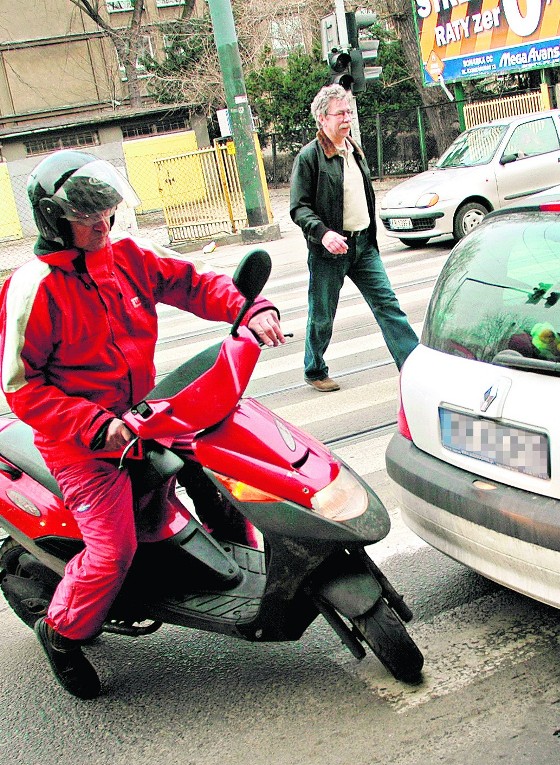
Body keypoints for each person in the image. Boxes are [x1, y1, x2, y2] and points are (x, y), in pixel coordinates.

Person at [0, 149, 286, 699]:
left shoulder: (126, 254)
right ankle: (61, 632)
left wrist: (247, 309)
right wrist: (91, 424)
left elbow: (192, 284)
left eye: (106, 213)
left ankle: (238, 569)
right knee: (112, 552)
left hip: (149, 414)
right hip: (83, 444)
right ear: (54, 220)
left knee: (225, 471)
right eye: (88, 218)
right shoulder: (33, 288)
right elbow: (21, 387)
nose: (102, 225)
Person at [290, 85, 418, 392]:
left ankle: (413, 365)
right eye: (340, 113)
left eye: (349, 112)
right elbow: (298, 207)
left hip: (363, 246)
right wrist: (323, 234)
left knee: (388, 305)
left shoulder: (353, 148)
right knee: (322, 315)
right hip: (329, 251)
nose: (347, 118)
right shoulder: (310, 157)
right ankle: (314, 368)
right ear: (322, 119)